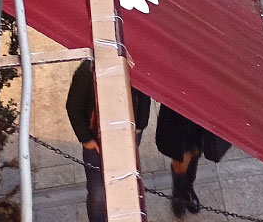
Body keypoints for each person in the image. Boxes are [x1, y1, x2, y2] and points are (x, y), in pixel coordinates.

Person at [67, 60, 154, 222]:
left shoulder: (133, 66)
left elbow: (144, 98)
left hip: (127, 138)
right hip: (96, 143)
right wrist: (87, 139)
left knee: (125, 183)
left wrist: (138, 128)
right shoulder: (88, 70)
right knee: (98, 193)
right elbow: (73, 106)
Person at [154, 104, 207, 217]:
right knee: (181, 158)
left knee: (196, 150)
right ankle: (178, 194)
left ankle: (188, 187)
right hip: (177, 113)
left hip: (200, 108)